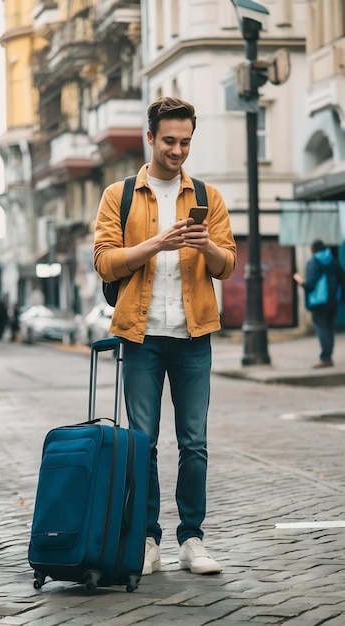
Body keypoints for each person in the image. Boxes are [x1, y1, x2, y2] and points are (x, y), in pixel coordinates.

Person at [94, 96, 236, 576]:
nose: (178, 151)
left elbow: (227, 266)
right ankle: (147, 539)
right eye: (170, 141)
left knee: (194, 443)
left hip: (194, 336)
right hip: (141, 336)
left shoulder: (207, 198)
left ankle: (192, 539)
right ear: (150, 138)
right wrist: (158, 242)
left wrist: (206, 245)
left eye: (186, 142)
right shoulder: (121, 195)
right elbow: (105, 261)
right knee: (143, 442)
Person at [293, 240, 345, 368]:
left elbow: (310, 285)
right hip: (333, 300)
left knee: (322, 328)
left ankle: (325, 358)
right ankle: (328, 356)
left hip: (319, 301)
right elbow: (342, 280)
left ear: (313, 250)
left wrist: (300, 281)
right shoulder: (334, 260)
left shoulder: (313, 262)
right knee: (329, 328)